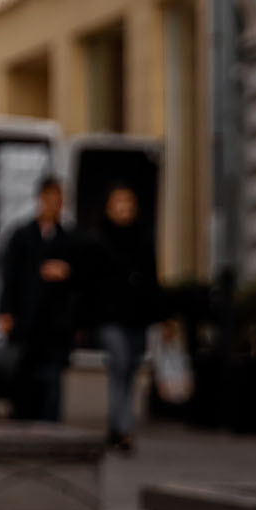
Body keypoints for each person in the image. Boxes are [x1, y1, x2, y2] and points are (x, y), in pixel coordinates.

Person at [83, 184, 163, 452]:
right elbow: (91, 283)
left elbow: (152, 279)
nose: (124, 208)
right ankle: (123, 428)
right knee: (119, 362)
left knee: (129, 370)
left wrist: (162, 315)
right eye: (119, 202)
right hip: (109, 317)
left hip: (136, 316)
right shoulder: (98, 238)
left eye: (128, 202)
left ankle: (117, 424)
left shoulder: (142, 237)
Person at [0, 175, 78, 422]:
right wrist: (5, 311)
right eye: (50, 198)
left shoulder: (69, 239)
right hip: (27, 317)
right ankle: (22, 418)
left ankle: (49, 422)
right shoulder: (22, 235)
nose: (54, 204)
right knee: (24, 372)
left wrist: (67, 272)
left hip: (57, 321)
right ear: (40, 200)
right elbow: (9, 276)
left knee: (53, 376)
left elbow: (82, 279)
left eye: (59, 199)